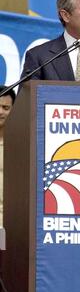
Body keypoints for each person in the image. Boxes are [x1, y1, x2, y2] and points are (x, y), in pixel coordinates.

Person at [0, 86, 16, 228]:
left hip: (8, 223)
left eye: (5, 107)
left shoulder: (22, 145)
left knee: (4, 249)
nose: (0, 112)